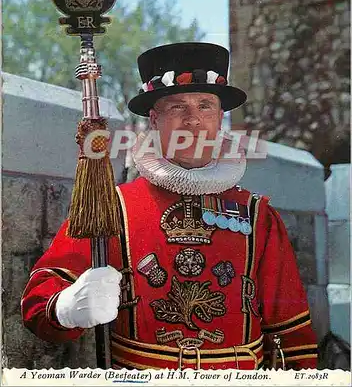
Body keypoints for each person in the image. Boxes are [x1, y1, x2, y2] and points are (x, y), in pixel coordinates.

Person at [21, 42, 318, 370]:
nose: (193, 121)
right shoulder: (113, 207)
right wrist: (66, 307)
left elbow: (292, 335)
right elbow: (38, 300)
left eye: (205, 105)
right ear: (154, 118)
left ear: (220, 118)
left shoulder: (258, 215)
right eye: (177, 107)